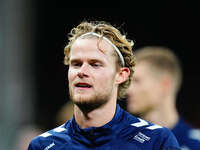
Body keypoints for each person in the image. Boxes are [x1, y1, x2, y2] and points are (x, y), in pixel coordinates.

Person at [28, 21, 180, 150]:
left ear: (121, 75)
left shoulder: (156, 141)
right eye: (76, 64)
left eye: (95, 64)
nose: (82, 72)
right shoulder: (43, 145)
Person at [126, 46, 200, 150]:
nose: (128, 90)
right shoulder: (119, 141)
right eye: (129, 82)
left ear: (164, 85)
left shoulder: (195, 144)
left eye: (137, 81)